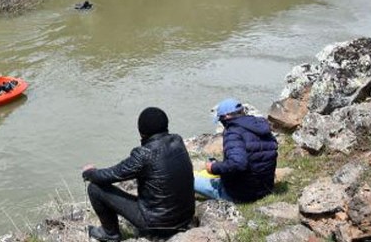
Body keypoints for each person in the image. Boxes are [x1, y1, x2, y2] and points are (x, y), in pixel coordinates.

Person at [82, 107, 195, 242]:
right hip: (185, 218)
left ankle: (110, 234)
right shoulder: (178, 141)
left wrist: (89, 172)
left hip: (157, 225)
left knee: (95, 188)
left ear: (141, 132)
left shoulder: (143, 154)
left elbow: (112, 174)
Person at [194, 98, 278, 203]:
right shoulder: (262, 126)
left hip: (240, 194)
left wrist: (213, 167)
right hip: (264, 189)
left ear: (226, 117)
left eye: (221, 119)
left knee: (189, 179)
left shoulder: (233, 132)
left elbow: (238, 164)